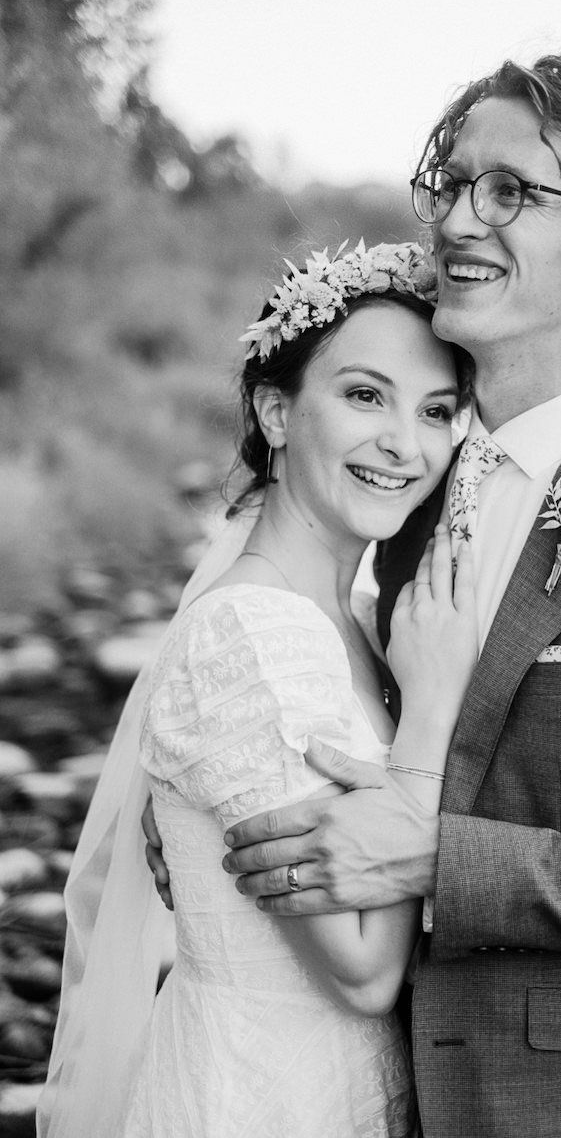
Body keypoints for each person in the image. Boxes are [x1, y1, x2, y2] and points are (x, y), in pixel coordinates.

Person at [185, 54, 561, 1137]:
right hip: (364, 1087)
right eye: (455, 185)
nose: (461, 220)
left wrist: (442, 862)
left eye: (511, 191)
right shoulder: (407, 498)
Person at [40, 241, 478, 1136]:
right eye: (364, 395)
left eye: (438, 410)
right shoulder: (253, 632)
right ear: (276, 411)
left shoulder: (352, 610)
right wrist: (428, 718)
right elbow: (361, 969)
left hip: (338, 1084)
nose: (406, 443)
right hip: (260, 1093)